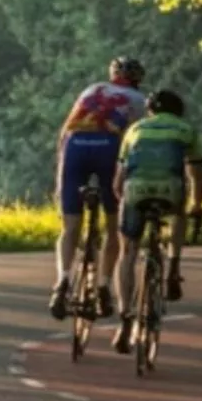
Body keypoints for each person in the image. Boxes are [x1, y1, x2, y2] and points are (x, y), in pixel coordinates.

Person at [49, 55, 148, 321]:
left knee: (70, 227)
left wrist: (61, 176)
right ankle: (104, 287)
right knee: (113, 226)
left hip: (74, 145)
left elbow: (64, 132)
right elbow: (136, 140)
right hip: (108, 147)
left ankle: (62, 283)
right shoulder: (138, 100)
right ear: (138, 80)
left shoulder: (91, 89)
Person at [111, 88, 202, 354]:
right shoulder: (186, 130)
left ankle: (125, 319)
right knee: (178, 212)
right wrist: (197, 206)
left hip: (135, 190)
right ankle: (173, 268)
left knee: (127, 251)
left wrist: (125, 202)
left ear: (150, 110)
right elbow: (197, 176)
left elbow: (117, 182)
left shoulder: (135, 130)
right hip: (170, 190)